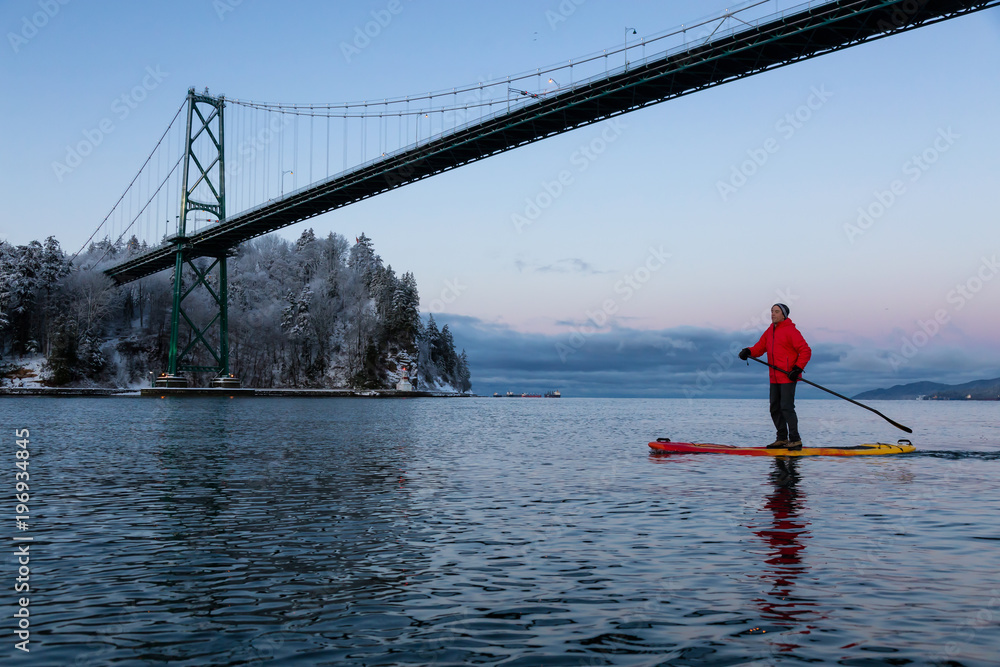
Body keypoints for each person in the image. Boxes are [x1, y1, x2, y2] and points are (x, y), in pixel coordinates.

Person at [739, 303, 812, 450]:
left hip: (788, 376)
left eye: (776, 312)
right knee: (774, 408)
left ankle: (795, 439)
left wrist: (797, 369)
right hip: (774, 377)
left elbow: (805, 350)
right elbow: (760, 347)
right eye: (772, 311)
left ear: (784, 315)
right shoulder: (770, 331)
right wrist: (748, 351)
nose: (772, 314)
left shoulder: (791, 331)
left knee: (786, 407)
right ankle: (782, 438)